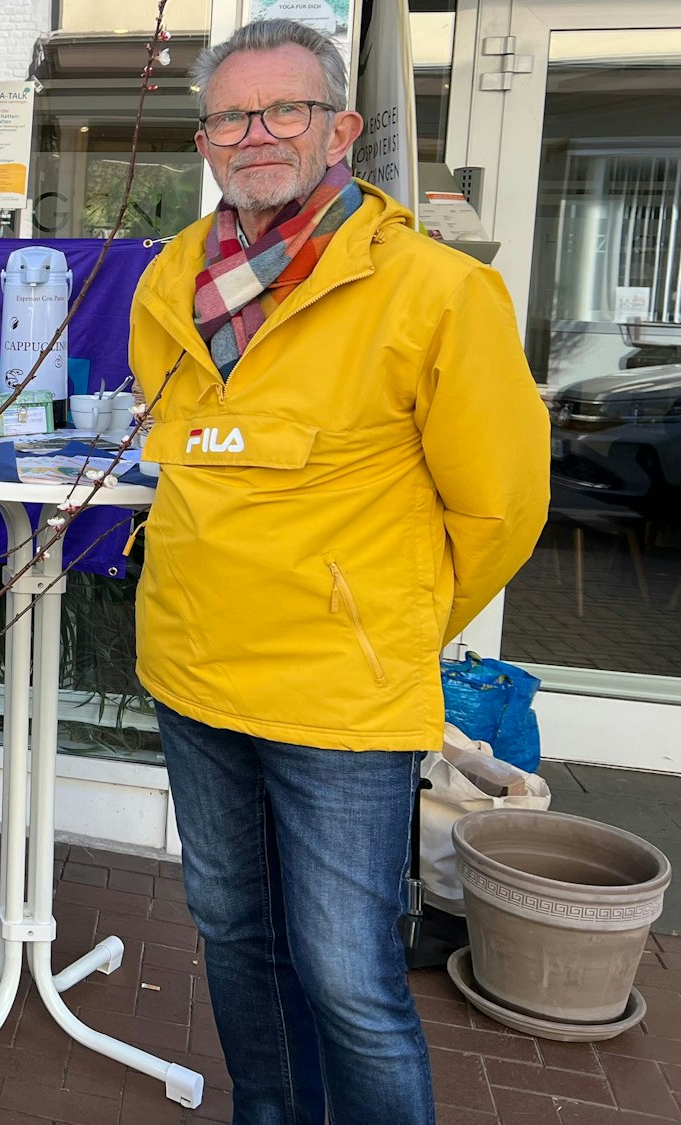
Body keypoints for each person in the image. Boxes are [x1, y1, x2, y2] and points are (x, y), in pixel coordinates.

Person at [127, 20, 549, 1125]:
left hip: (338, 700)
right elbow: (178, 453)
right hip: (191, 669)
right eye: (229, 114)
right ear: (205, 140)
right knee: (231, 937)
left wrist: (378, 622)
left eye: (284, 110)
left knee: (348, 978)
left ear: (340, 129)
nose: (254, 133)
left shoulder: (435, 293)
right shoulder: (170, 281)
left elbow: (499, 510)